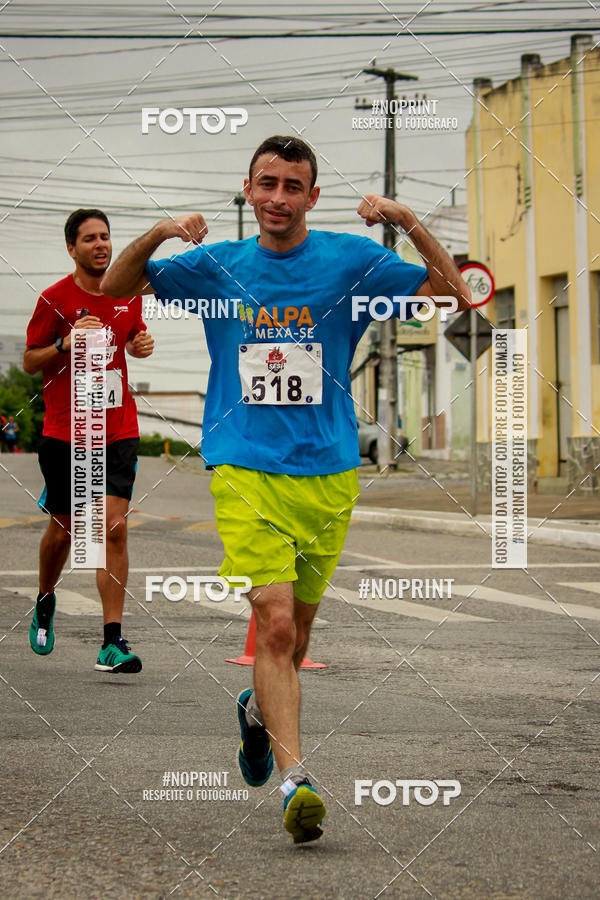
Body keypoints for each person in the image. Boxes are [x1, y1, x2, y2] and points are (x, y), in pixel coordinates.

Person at [101, 135, 471, 842]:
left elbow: (450, 292)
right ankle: (297, 781)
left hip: (328, 471)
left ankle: (257, 713)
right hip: (243, 464)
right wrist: (159, 232)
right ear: (248, 190)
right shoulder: (216, 266)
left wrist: (406, 221)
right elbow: (116, 288)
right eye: (266, 184)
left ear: (312, 197)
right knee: (272, 623)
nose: (278, 198)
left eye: (292, 186)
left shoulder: (352, 261)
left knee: (296, 635)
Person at [23, 208, 154, 673]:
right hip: (66, 431)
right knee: (64, 530)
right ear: (71, 248)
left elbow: (134, 335)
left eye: (105, 236)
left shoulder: (129, 293)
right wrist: (64, 344)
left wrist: (140, 343)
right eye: (90, 239)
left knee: (112, 528)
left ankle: (111, 642)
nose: (101, 245)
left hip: (118, 428)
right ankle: (45, 598)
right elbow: (29, 361)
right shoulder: (55, 299)